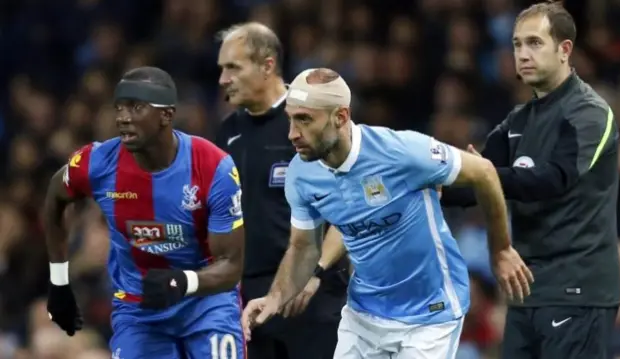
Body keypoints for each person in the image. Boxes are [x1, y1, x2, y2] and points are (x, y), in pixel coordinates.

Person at [242, 67, 534, 359]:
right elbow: (303, 246)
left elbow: (483, 171)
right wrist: (275, 297)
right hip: (364, 315)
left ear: (340, 117)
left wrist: (502, 249)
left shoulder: (401, 152)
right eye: (290, 119)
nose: (293, 133)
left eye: (304, 119)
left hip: (430, 313)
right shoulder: (301, 174)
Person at [441, 2, 620, 358]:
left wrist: (485, 174)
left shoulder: (589, 113)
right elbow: (471, 188)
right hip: (526, 291)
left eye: (535, 43)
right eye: (517, 44)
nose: (522, 54)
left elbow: (553, 180)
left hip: (578, 290)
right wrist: (417, 184)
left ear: (564, 49)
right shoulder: (518, 121)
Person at [44, 66, 246, 358]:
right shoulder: (97, 163)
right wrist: (59, 281)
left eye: (136, 107)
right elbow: (54, 197)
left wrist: (182, 281)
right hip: (139, 311)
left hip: (207, 304)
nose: (122, 117)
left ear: (167, 115)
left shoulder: (215, 167)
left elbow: (231, 265)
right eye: (119, 108)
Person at [214, 22, 349, 359]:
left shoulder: (314, 118)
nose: (223, 79)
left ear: (267, 65)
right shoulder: (226, 133)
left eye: (233, 67)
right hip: (249, 301)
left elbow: (352, 202)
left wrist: (316, 272)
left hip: (311, 294)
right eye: (221, 69)